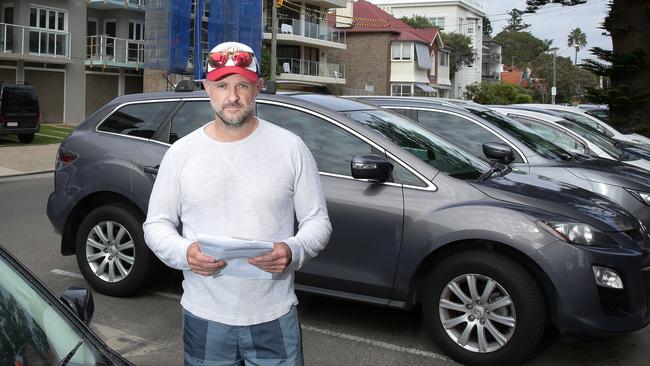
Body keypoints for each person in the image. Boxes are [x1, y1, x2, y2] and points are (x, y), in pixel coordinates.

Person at [143, 41, 332, 365]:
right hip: (204, 316)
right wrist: (185, 253)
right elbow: (156, 224)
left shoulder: (291, 148)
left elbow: (318, 222)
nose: (232, 96)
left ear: (258, 87)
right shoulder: (181, 154)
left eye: (243, 85)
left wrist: (292, 250)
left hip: (274, 316)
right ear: (207, 88)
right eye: (222, 85)